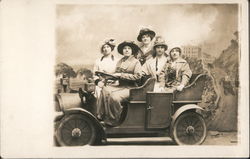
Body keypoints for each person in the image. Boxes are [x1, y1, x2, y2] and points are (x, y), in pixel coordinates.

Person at [97, 41, 142, 126]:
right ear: (122, 51)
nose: (127, 50)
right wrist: (106, 74)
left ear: (132, 51)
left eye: (129, 48)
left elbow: (137, 77)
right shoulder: (120, 61)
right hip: (121, 86)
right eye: (125, 48)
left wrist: (121, 75)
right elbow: (115, 73)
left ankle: (114, 120)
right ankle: (101, 115)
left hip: (131, 88)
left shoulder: (136, 62)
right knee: (105, 90)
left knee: (114, 97)